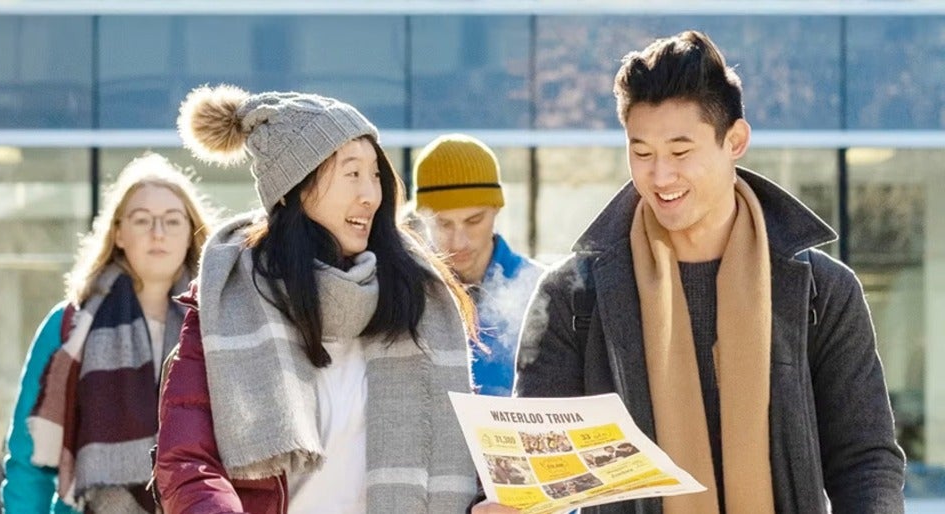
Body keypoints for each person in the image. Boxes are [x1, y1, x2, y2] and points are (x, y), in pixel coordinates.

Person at [511, 30, 906, 514]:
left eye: (680, 153)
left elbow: (864, 461)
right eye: (641, 153)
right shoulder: (573, 296)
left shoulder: (821, 291)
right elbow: (536, 470)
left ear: (734, 140)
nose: (660, 177)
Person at [153, 85, 479, 513]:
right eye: (351, 173)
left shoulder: (419, 298)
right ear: (295, 186)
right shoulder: (229, 299)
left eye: (375, 174)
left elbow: (456, 461)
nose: (371, 194)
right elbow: (188, 462)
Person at [1, 153, 215, 513]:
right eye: (142, 220)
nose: (158, 233)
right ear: (118, 233)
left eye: (172, 221)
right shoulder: (69, 326)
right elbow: (29, 462)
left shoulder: (219, 328)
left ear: (192, 233)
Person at [412, 134, 544, 397]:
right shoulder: (407, 296)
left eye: (474, 220)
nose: (458, 241)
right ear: (422, 218)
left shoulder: (541, 290)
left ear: (496, 210)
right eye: (443, 223)